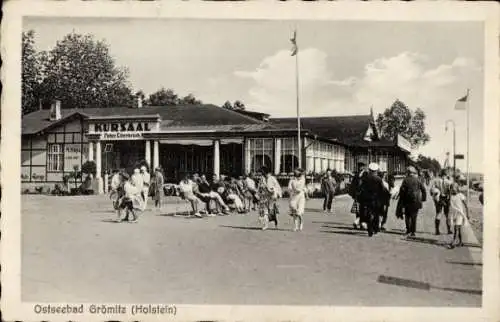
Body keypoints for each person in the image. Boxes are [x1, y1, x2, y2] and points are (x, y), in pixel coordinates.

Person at [398, 166, 427, 238]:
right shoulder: (417, 180)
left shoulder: (405, 180)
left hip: (407, 200)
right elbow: (423, 190)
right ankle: (413, 232)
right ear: (413, 173)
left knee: (407, 216)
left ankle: (408, 230)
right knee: (414, 216)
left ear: (408, 172)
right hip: (416, 201)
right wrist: (423, 199)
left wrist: (401, 200)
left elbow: (402, 191)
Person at [358, 163, 386, 237]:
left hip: (366, 199)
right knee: (376, 214)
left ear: (369, 170)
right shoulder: (378, 179)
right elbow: (382, 189)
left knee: (368, 214)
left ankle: (369, 230)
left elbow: (361, 188)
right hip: (376, 199)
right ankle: (375, 228)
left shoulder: (365, 178)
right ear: (376, 170)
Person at [429, 169, 453, 235]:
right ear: (446, 174)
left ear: (440, 174)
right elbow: (452, 191)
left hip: (438, 199)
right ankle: (449, 230)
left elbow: (431, 190)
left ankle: (437, 230)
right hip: (446, 199)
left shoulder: (435, 181)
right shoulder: (449, 182)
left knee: (438, 214)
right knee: (447, 214)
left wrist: (434, 195)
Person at [448, 183, 468, 249]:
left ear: (457, 188)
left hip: (460, 214)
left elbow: (466, 206)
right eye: (451, 189)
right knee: (458, 229)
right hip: (454, 214)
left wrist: (467, 214)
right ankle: (461, 242)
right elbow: (451, 205)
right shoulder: (451, 196)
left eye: (454, 188)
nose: (453, 190)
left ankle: (453, 242)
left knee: (456, 228)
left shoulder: (460, 195)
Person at [349, 162, 367, 229]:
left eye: (361, 166)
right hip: (357, 194)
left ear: (363, 167)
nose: (360, 168)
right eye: (359, 166)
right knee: (357, 210)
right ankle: (358, 223)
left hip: (364, 194)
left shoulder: (366, 174)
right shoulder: (356, 175)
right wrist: (353, 193)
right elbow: (353, 184)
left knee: (363, 209)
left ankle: (362, 223)